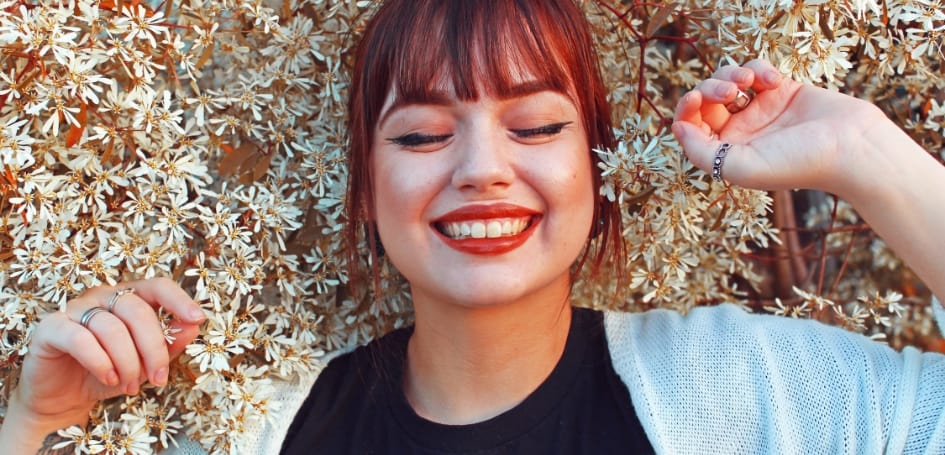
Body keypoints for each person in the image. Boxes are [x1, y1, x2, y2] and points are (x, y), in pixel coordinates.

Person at [3, 0, 945, 453]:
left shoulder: (747, 394)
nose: (481, 168)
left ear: (598, 169)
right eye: (420, 134)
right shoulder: (249, 432)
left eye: (535, 126)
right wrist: (39, 423)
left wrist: (864, 150)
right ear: (364, 189)